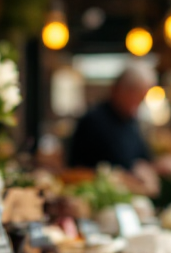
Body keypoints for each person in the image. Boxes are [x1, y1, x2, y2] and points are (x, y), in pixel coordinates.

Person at [68, 64, 159, 195]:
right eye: (138, 97)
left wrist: (148, 169)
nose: (139, 104)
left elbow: (142, 157)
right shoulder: (93, 121)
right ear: (122, 90)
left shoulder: (131, 121)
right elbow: (77, 170)